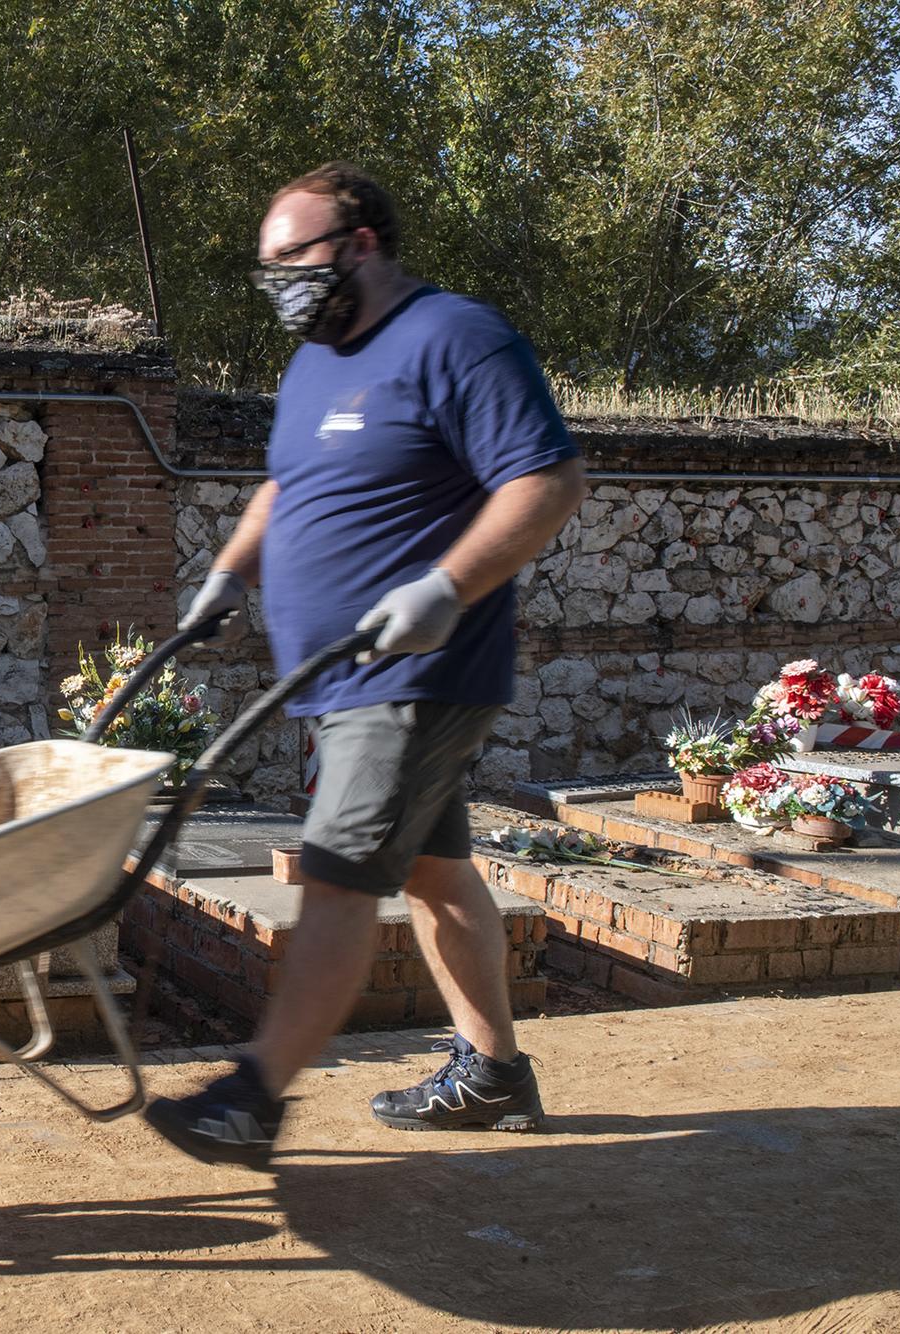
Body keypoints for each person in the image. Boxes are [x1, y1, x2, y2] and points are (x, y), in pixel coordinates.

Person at [144, 162, 587, 1166]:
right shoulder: (312, 363)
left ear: (359, 244)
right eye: (266, 266)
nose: (276, 282)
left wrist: (444, 585)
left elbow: (548, 480)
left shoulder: (453, 337)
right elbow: (282, 485)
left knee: (337, 874)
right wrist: (226, 573)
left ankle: (252, 1093)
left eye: (290, 257)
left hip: (414, 672)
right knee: (434, 874)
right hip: (341, 682)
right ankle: (491, 1072)